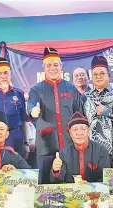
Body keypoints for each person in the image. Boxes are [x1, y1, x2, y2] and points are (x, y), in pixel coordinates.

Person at [27, 47, 84, 184]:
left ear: (61, 66)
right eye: (48, 65)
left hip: (70, 145)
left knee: (71, 183)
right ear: (44, 68)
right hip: (46, 146)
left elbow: (79, 116)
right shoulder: (36, 89)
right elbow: (30, 106)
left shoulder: (71, 88)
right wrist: (33, 111)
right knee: (45, 186)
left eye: (55, 64)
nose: (52, 68)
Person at [50, 112, 111, 183]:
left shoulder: (101, 152)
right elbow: (56, 183)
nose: (79, 133)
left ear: (88, 131)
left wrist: (90, 186)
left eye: (83, 129)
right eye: (75, 130)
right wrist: (55, 171)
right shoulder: (63, 154)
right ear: (70, 133)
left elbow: (106, 180)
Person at [83, 56, 113, 154]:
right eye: (95, 74)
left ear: (109, 75)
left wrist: (107, 112)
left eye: (102, 73)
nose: (98, 77)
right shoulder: (85, 98)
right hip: (90, 150)